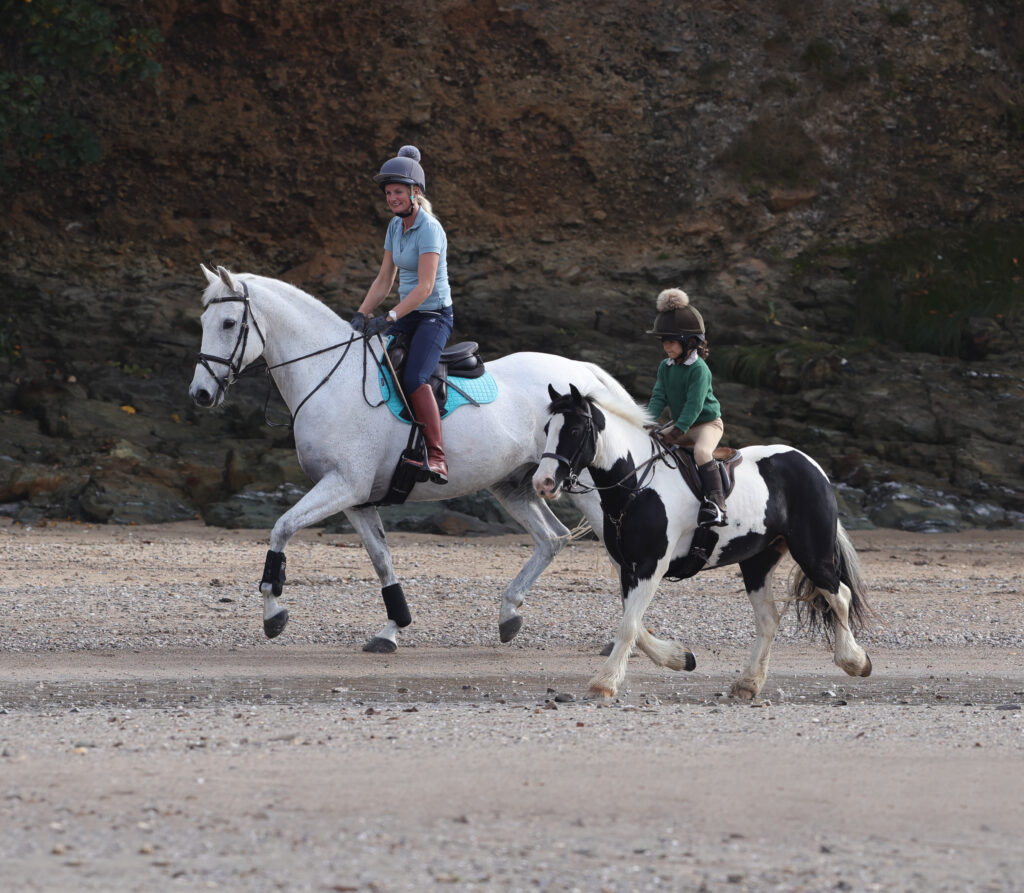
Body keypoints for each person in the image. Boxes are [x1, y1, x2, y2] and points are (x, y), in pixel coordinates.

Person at [351, 145, 453, 485]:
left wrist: (390, 317)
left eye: (398, 192)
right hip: (406, 313)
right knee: (374, 364)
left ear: (415, 192)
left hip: (433, 315)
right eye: (389, 193)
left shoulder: (430, 229)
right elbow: (384, 279)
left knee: (413, 378)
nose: (392, 198)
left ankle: (437, 456)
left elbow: (424, 288)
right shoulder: (395, 227)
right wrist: (361, 315)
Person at [646, 287, 727, 527]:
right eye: (664, 342)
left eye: (671, 342)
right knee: (649, 446)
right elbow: (658, 396)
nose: (666, 347)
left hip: (706, 425)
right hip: (680, 423)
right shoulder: (665, 367)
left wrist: (677, 431)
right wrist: (646, 422)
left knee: (702, 453)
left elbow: (694, 405)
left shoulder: (699, 369)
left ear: (690, 342)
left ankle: (717, 505)